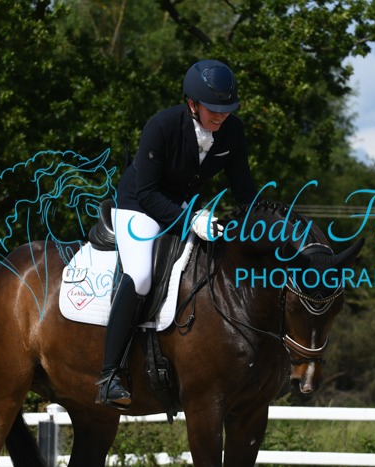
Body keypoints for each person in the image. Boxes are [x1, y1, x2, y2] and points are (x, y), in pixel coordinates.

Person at [96, 59, 258, 409]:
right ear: (192, 104)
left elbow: (243, 186)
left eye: (226, 109)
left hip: (185, 206)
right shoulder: (162, 126)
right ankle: (110, 375)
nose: (221, 116)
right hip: (138, 206)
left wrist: (262, 221)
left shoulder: (233, 131)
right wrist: (190, 220)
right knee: (140, 275)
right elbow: (147, 192)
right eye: (213, 109)